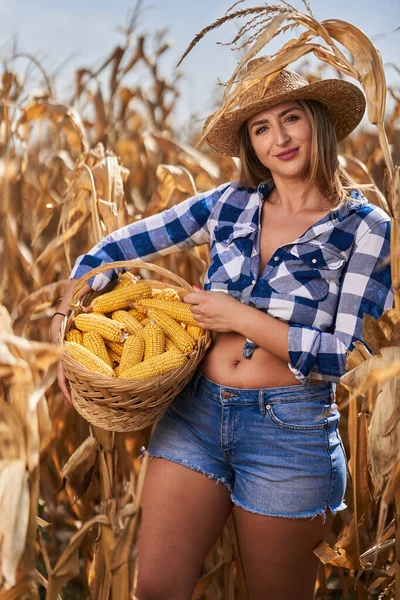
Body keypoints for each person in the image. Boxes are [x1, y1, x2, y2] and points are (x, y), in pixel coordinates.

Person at [50, 57, 393, 600]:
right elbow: (107, 252)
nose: (278, 138)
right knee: (155, 593)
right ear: (250, 145)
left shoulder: (365, 228)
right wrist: (63, 322)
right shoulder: (228, 205)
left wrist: (240, 318)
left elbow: (345, 357)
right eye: (261, 128)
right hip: (195, 413)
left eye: (291, 118)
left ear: (318, 123)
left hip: (290, 432)